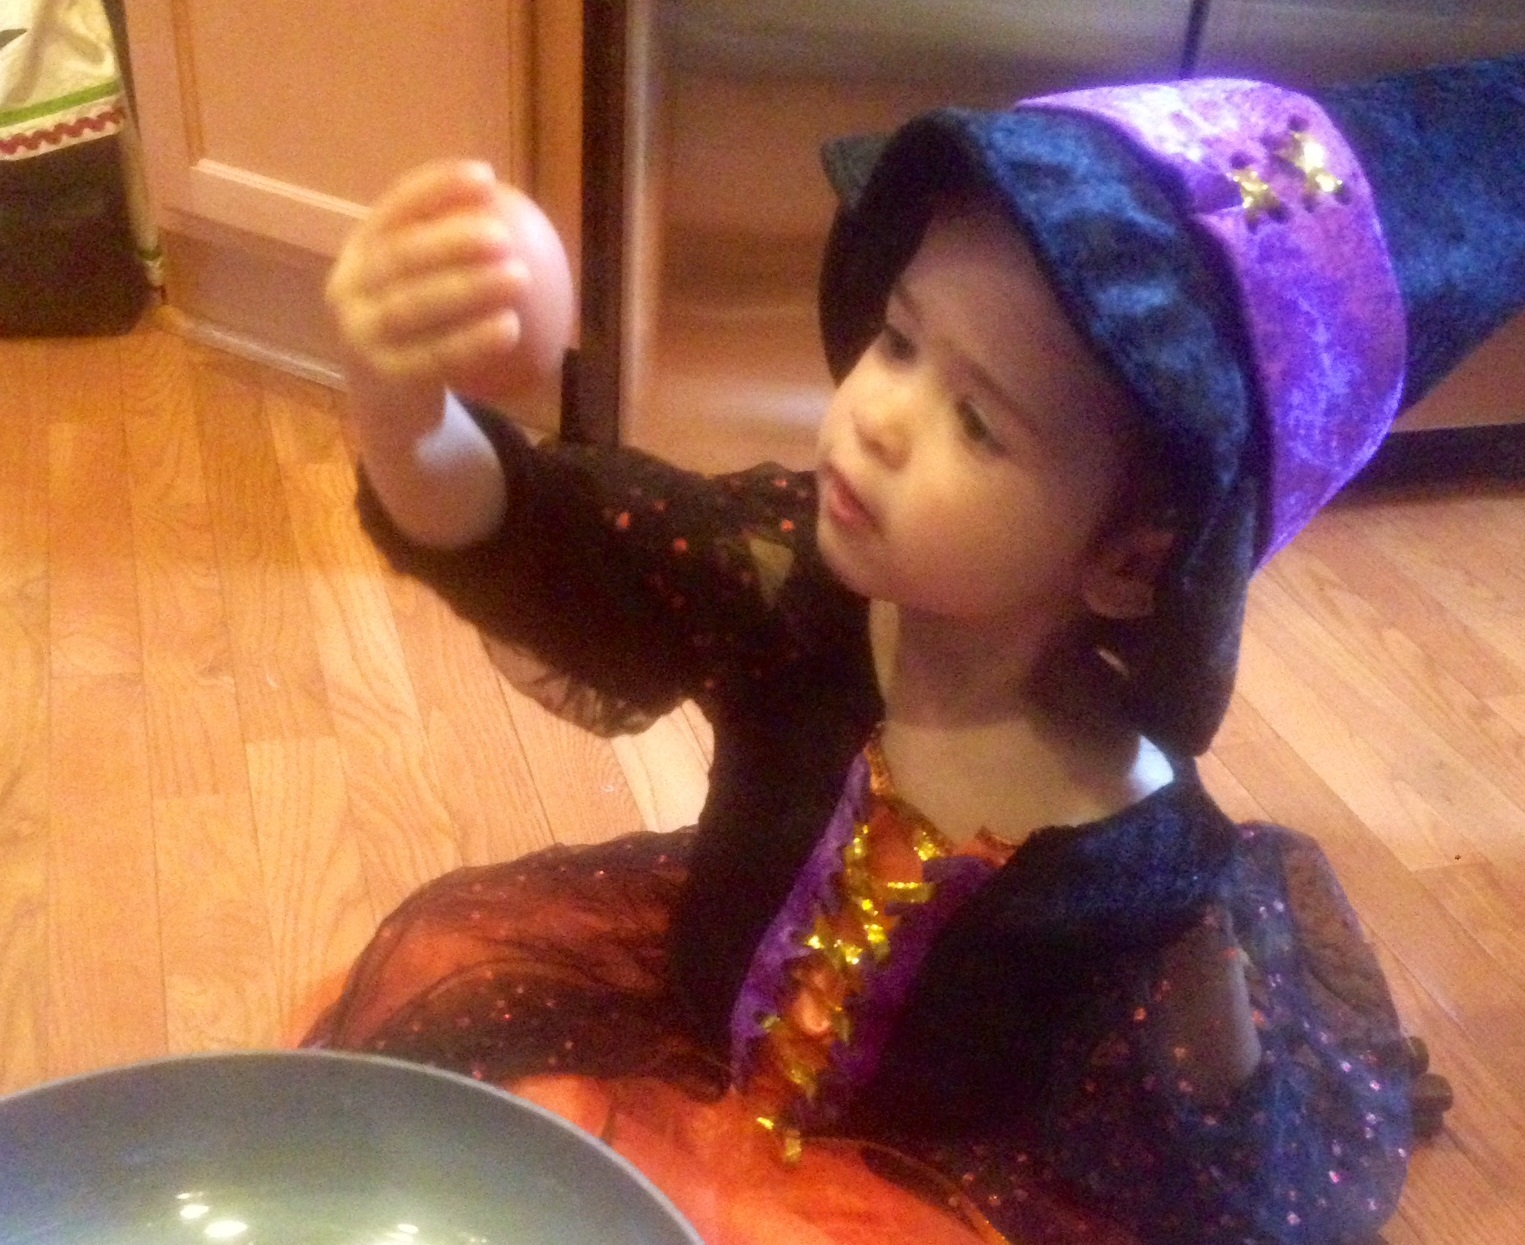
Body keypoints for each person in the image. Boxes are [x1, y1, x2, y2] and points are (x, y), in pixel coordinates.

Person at [307, 56, 1525, 1245]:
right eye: (898, 340)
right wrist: (400, 406)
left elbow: (1204, 1184)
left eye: (977, 422)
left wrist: (1214, 1046)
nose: (879, 416)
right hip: (661, 1049)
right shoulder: (796, 594)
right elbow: (564, 546)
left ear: (1132, 564)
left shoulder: (1135, 868)